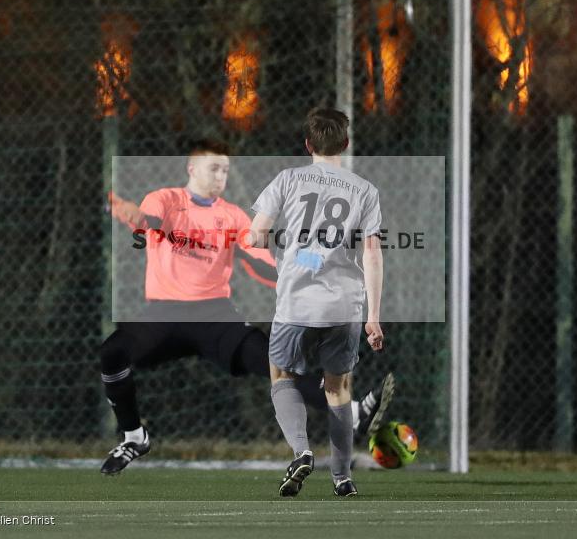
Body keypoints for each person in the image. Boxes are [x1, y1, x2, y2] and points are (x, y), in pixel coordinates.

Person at [99, 140, 394, 475]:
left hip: (214, 314)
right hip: (164, 312)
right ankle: (135, 437)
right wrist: (128, 211)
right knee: (112, 353)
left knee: (273, 363)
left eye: (225, 169)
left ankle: (353, 413)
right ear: (191, 168)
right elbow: (147, 218)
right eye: (214, 168)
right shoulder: (166, 199)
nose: (220, 175)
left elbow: (266, 264)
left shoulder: (233, 216)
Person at [250, 108, 385, 498]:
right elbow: (372, 255)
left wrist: (286, 248)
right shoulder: (364, 190)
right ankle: (342, 477)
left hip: (295, 301)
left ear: (308, 144)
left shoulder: (288, 180)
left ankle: (301, 450)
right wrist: (374, 317)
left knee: (283, 376)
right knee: (338, 390)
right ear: (345, 143)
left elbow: (257, 235)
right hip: (345, 306)